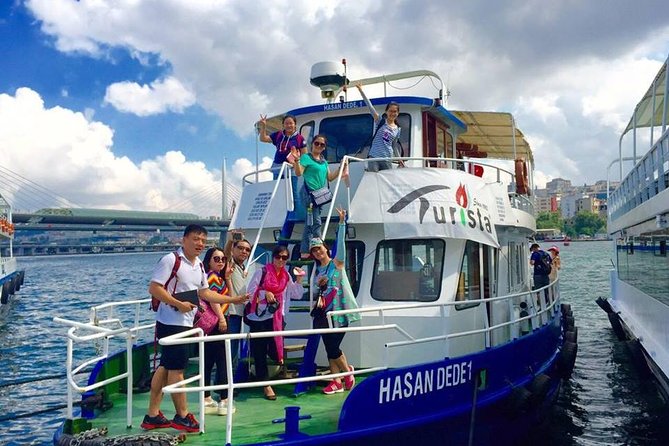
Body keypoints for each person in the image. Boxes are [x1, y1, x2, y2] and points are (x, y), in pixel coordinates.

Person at [141, 225, 247, 433]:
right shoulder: (171, 260)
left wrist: (233, 299)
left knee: (164, 368)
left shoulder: (198, 264)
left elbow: (205, 293)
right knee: (177, 370)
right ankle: (182, 416)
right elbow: (154, 288)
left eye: (203, 240)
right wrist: (179, 304)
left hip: (186, 323)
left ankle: (152, 415)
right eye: (196, 239)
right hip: (171, 323)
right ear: (184, 240)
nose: (200, 243)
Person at [309, 207, 361, 395]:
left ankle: (347, 373)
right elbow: (315, 293)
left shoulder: (337, 263)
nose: (317, 253)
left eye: (319, 249)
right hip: (324, 314)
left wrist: (341, 222)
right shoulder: (317, 271)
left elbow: (342, 245)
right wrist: (319, 285)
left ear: (326, 249)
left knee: (333, 346)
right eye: (314, 251)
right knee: (329, 346)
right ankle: (336, 381)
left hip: (339, 313)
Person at [245, 245, 304, 400]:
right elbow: (250, 293)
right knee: (259, 351)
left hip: (278, 317)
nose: (281, 260)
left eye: (285, 258)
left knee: (274, 349)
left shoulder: (286, 276)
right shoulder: (262, 272)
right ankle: (266, 385)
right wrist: (265, 292)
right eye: (278, 257)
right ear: (273, 257)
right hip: (260, 318)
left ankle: (269, 375)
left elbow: (296, 294)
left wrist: (299, 279)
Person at [201, 247, 248, 416]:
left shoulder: (217, 277)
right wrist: (221, 318)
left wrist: (227, 277)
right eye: (216, 259)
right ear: (209, 261)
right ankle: (224, 399)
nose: (220, 261)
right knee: (222, 359)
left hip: (214, 324)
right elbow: (213, 299)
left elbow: (230, 296)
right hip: (217, 323)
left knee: (209, 360)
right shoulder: (212, 276)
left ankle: (206, 397)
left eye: (222, 259)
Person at [290, 134, 344, 260]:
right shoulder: (306, 158)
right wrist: (297, 160)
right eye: (317, 143)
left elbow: (330, 177)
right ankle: (318, 246)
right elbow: (299, 173)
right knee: (316, 222)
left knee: (310, 223)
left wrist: (340, 168)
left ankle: (305, 251)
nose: (319, 146)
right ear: (312, 144)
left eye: (322, 144)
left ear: (324, 147)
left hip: (319, 196)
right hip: (308, 194)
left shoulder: (324, 161)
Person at [355, 82, 404, 172]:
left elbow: (394, 146)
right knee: (374, 180)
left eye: (395, 111)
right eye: (390, 111)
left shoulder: (398, 129)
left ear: (398, 113)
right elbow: (370, 107)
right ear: (386, 111)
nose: (392, 113)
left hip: (387, 159)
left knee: (386, 183)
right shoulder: (380, 121)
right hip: (374, 157)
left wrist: (400, 159)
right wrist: (361, 90)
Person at [223, 233, 254, 370]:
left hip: (240, 313)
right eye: (240, 248)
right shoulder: (230, 264)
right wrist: (231, 240)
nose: (244, 251)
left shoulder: (242, 268)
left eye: (247, 250)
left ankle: (229, 380)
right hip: (231, 313)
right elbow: (225, 255)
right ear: (233, 249)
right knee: (229, 349)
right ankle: (224, 382)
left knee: (234, 347)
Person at [258, 114, 307, 179]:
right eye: (286, 123)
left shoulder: (300, 138)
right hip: (277, 168)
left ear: (295, 124)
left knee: (292, 189)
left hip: (291, 169)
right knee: (278, 189)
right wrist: (263, 126)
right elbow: (263, 139)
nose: (289, 125)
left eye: (291, 123)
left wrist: (299, 166)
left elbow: (305, 155)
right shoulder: (278, 134)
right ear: (283, 125)